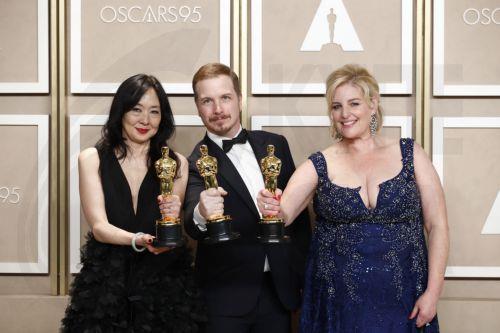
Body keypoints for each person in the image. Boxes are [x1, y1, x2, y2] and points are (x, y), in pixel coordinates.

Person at [257, 64, 449, 332]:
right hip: (337, 306)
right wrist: (271, 204)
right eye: (336, 107)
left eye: (354, 103)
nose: (345, 114)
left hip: (406, 300)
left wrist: (433, 293)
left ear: (373, 103)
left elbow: (437, 225)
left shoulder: (410, 153)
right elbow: (282, 213)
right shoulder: (320, 162)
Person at [62, 74, 206, 332]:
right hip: (107, 282)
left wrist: (172, 215)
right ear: (121, 112)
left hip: (164, 283)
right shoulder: (92, 159)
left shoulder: (178, 163)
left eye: (154, 111)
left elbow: (170, 227)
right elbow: (99, 227)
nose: (145, 120)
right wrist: (137, 239)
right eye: (136, 109)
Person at [181, 63, 311, 333]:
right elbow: (192, 222)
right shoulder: (193, 162)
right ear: (197, 107)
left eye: (225, 98)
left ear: (240, 99)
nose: (218, 109)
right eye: (207, 101)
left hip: (278, 293)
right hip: (225, 300)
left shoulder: (276, 144)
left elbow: (299, 221)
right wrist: (202, 212)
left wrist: (300, 275)